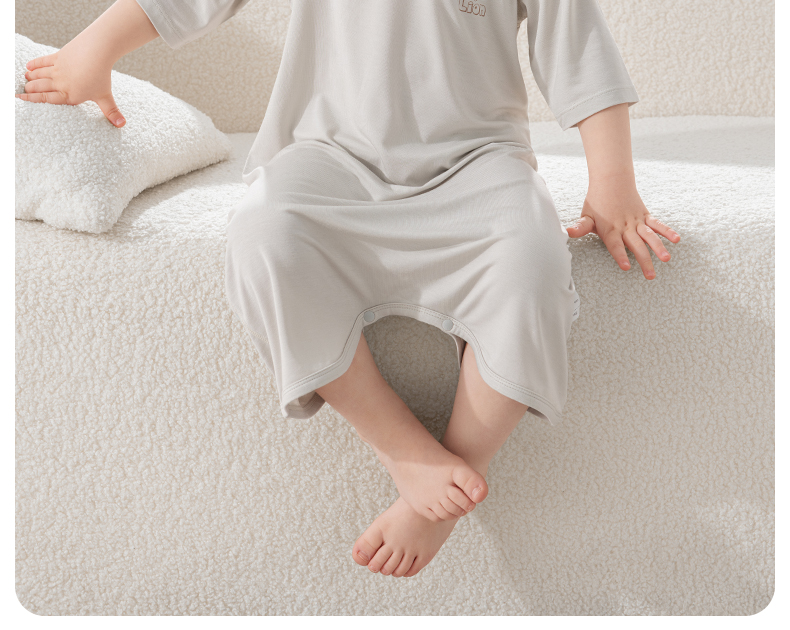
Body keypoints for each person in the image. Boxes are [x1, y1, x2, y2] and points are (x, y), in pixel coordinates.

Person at [17, 0, 681, 578]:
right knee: (263, 236)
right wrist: (94, 48)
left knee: (532, 263)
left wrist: (612, 182)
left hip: (480, 166)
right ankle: (403, 448)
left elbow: (577, 44)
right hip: (328, 157)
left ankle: (452, 480)